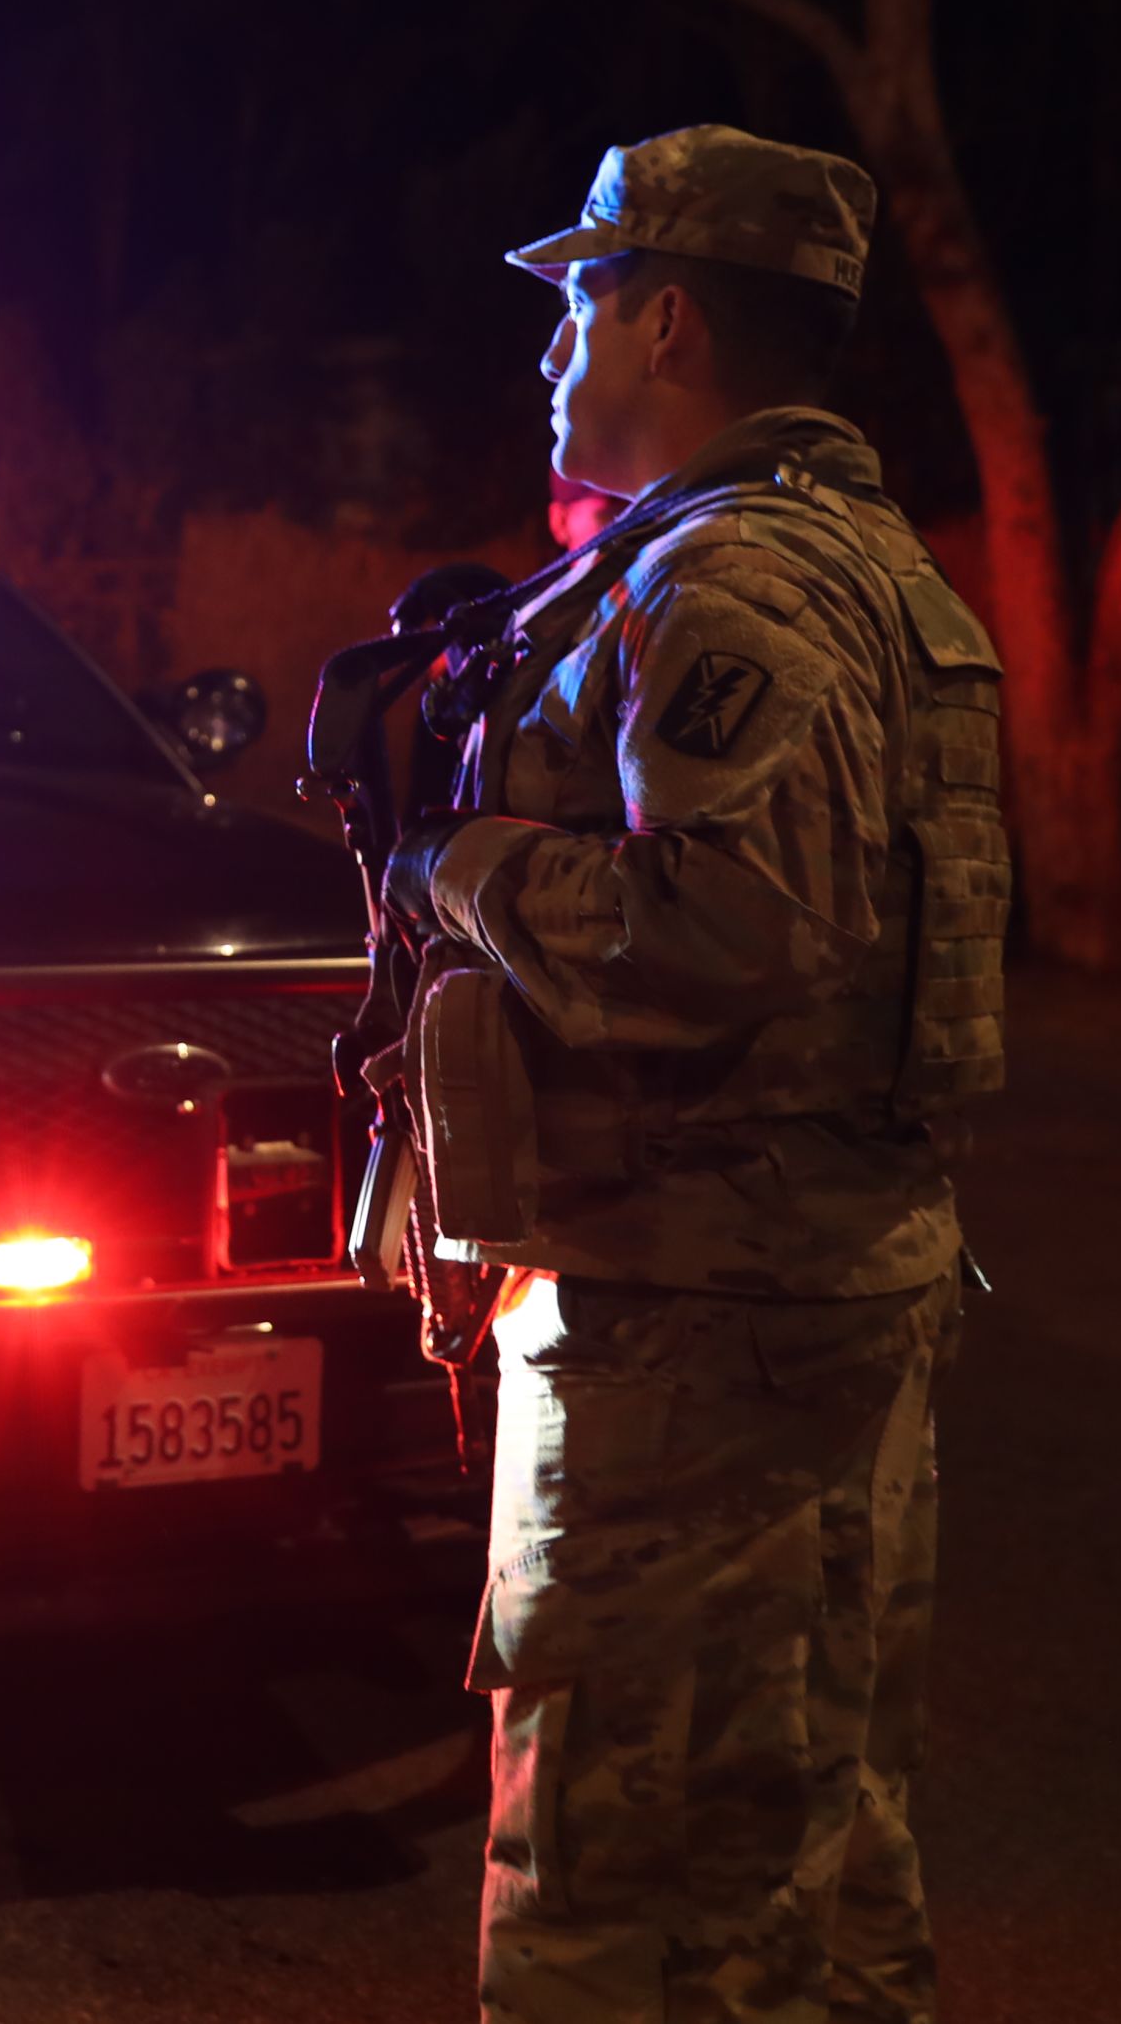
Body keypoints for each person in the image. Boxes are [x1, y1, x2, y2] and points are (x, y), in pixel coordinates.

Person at [382, 125, 1009, 2023]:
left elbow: (725, 937)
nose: (553, 353)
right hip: (808, 1295)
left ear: (666, 323)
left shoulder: (725, 585)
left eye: (577, 305)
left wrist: (455, 861)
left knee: (618, 1885)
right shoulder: (873, 571)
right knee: (806, 1848)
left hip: (691, 1327)